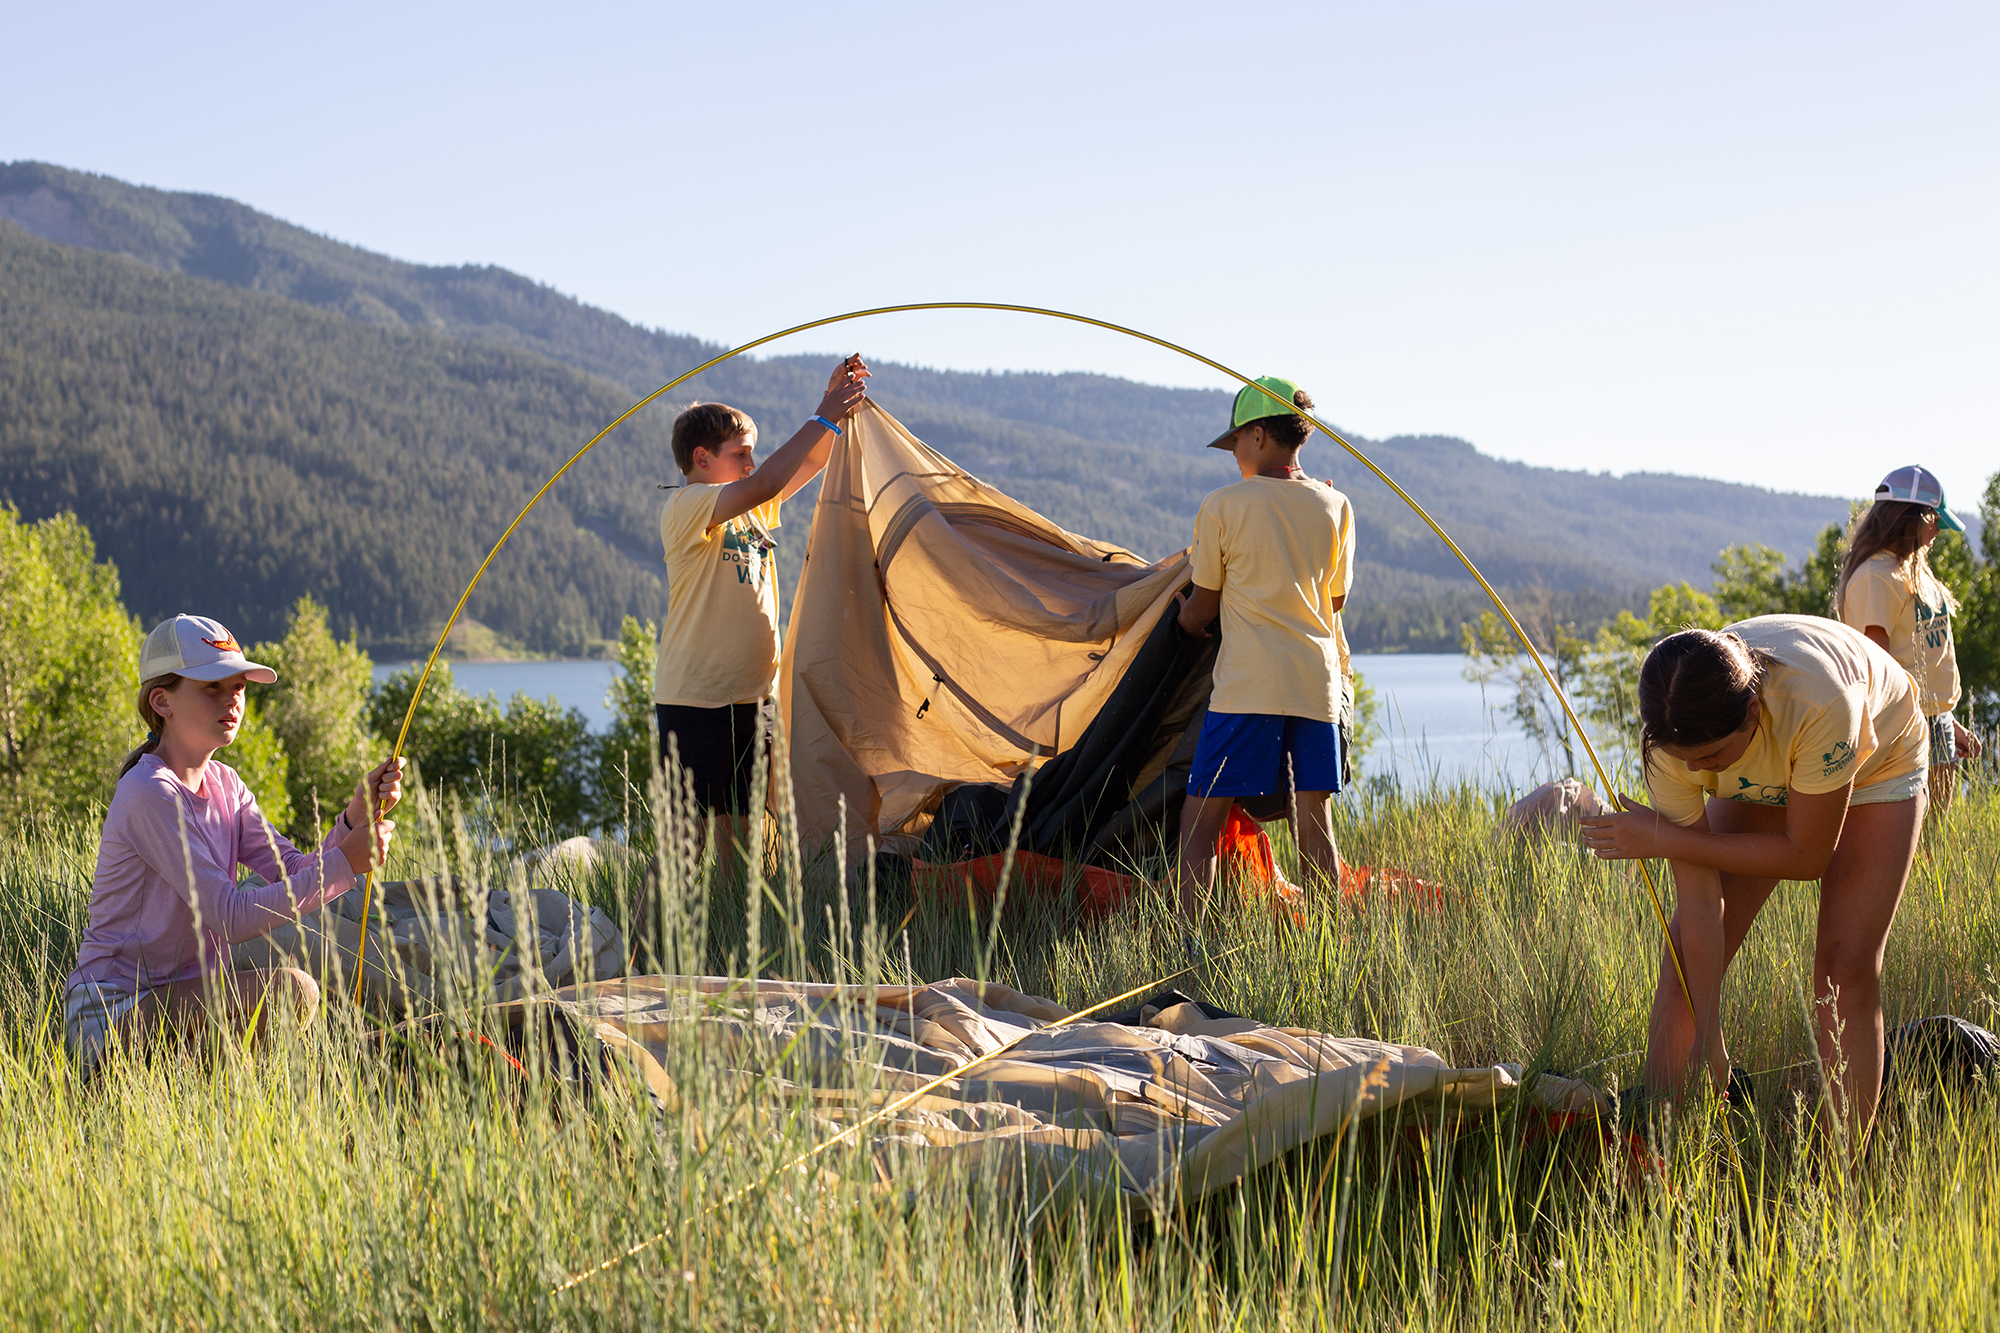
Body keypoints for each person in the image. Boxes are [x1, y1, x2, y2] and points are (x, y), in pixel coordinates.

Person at [1579, 615, 1927, 1140]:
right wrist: (1710, 1033)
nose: (1697, 773)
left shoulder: (1820, 702)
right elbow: (1699, 900)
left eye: (1711, 758)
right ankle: (1656, 1154)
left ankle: (1843, 1179)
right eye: (1685, 762)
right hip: (1767, 768)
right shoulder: (1673, 739)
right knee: (1683, 971)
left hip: (1880, 760)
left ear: (1751, 712)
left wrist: (1664, 839)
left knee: (1844, 971)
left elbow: (1807, 858)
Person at [65, 615, 404, 1080]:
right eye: (212, 687)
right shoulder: (150, 791)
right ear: (161, 701)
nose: (232, 700)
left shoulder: (226, 784)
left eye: (239, 687)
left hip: (188, 997)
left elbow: (294, 870)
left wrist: (352, 819)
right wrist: (346, 863)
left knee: (288, 994)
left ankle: (206, 1102)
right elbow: (230, 918)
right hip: (112, 1014)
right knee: (292, 990)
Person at [653, 355, 869, 880]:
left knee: (749, 849)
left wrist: (834, 401)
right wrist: (821, 413)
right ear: (702, 459)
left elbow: (810, 464)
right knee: (682, 850)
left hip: (753, 699)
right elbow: (769, 480)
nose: (751, 463)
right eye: (741, 454)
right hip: (696, 701)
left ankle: (727, 952)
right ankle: (641, 950)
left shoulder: (750, 509)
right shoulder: (688, 506)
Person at [1173, 376, 1354, 922]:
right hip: (1316, 685)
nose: (1234, 458)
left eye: (1234, 446)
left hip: (1248, 686)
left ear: (1255, 436)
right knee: (1314, 822)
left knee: (1199, 823)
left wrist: (1180, 621)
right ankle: (1329, 947)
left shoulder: (1223, 506)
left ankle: (1190, 950)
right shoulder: (1336, 503)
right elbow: (1335, 601)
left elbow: (1203, 606)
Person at [1834, 465, 1982, 814]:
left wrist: (1948, 720)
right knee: (1909, 836)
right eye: (1934, 520)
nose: (1938, 532)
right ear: (1912, 518)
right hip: (1904, 722)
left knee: (1933, 839)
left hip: (1935, 718)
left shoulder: (1913, 568)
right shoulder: (1876, 576)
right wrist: (1912, 723)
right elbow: (1877, 664)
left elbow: (1926, 656)